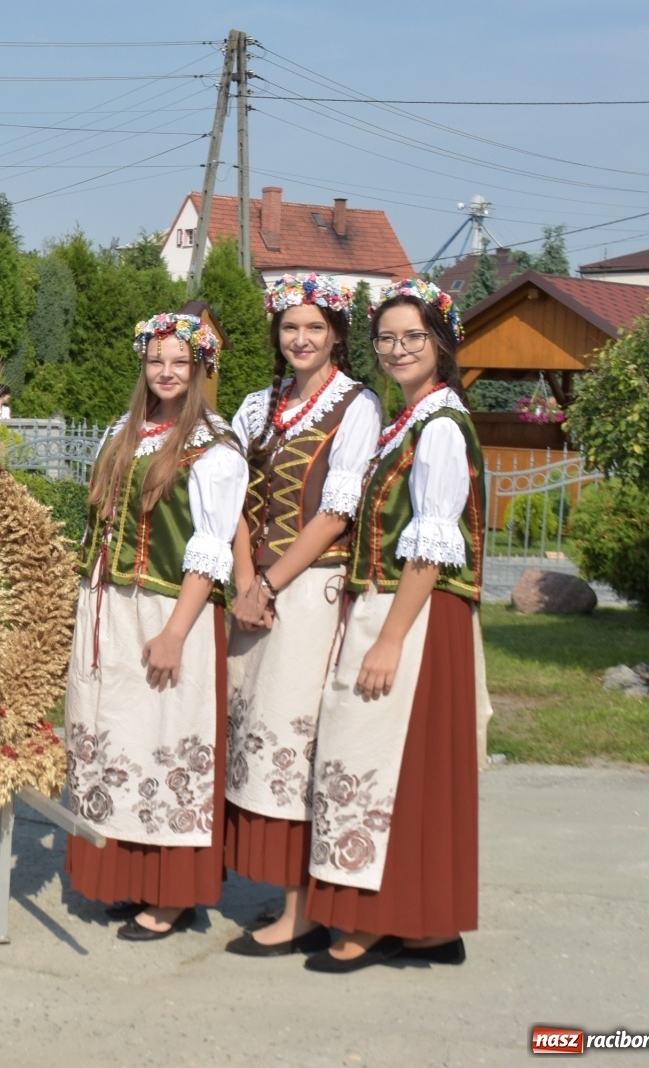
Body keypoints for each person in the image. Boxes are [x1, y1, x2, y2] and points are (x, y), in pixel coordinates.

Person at [303, 278, 485, 972]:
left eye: (414, 337)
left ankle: (374, 922)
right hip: (397, 608)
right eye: (388, 338)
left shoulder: (439, 426)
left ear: (441, 344)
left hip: (414, 613)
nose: (400, 348)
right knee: (396, 769)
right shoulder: (410, 420)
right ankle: (426, 925)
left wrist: (389, 637)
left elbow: (432, 544)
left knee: (375, 760)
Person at [63, 313, 247, 940]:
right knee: (115, 741)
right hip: (109, 607)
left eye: (179, 362)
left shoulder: (214, 446)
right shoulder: (128, 430)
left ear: (199, 370)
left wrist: (174, 632)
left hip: (167, 611)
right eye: (156, 361)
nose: (166, 373)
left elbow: (212, 545)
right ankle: (125, 878)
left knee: (163, 742)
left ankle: (172, 896)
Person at [222, 274, 383, 956]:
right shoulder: (259, 405)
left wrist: (271, 583)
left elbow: (337, 511)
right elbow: (225, 496)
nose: (301, 339)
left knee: (296, 745)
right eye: (290, 328)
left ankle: (302, 909)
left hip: (309, 593)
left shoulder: (358, 406)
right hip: (251, 589)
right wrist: (243, 580)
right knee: (251, 738)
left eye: (314, 328)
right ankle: (284, 890)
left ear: (338, 336)